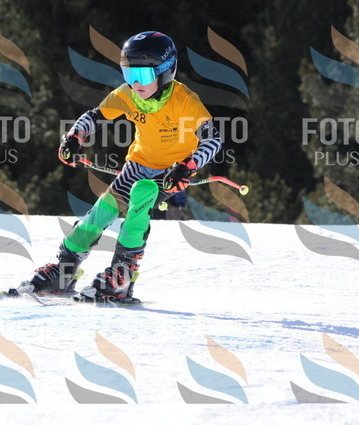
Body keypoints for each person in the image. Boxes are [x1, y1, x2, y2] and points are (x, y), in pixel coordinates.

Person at [28, 31, 222, 302]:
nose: (135, 83)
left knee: (142, 195)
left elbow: (213, 139)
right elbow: (94, 116)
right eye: (129, 74)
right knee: (101, 212)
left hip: (171, 171)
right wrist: (74, 137)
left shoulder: (185, 101)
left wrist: (187, 166)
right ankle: (64, 271)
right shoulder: (128, 94)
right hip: (138, 163)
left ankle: (122, 275)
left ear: (165, 72)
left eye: (142, 75)